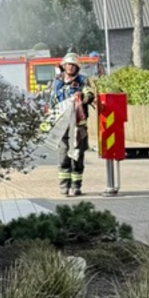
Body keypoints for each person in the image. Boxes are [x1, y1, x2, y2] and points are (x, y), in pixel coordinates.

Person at [47, 53, 94, 196]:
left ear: (77, 67)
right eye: (68, 64)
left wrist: (82, 96)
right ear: (63, 66)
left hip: (78, 125)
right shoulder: (56, 82)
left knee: (78, 155)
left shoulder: (83, 81)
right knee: (64, 155)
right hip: (62, 124)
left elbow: (90, 96)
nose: (70, 67)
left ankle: (76, 186)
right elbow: (51, 101)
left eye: (73, 65)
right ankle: (64, 186)